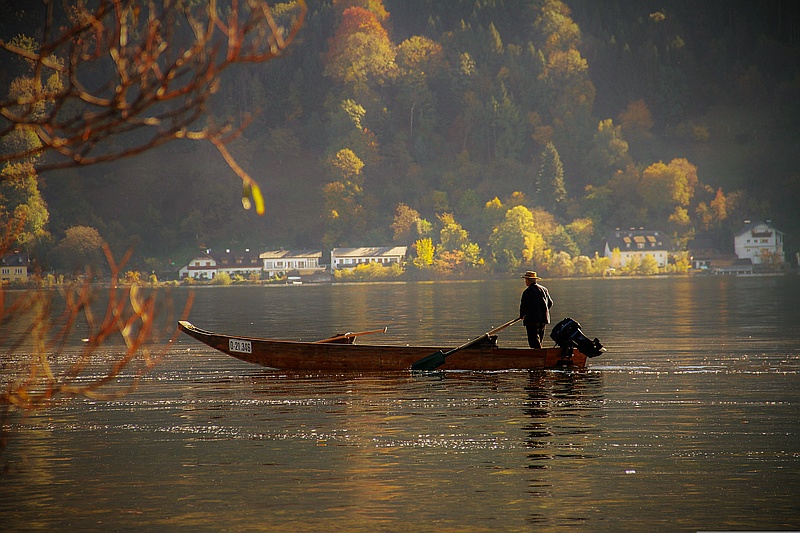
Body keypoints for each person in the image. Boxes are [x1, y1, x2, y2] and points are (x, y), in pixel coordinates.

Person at [518, 271, 553, 349]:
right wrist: (543, 310)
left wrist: (522, 315)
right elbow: (550, 303)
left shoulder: (527, 292)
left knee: (533, 340)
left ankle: (537, 356)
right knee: (539, 339)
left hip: (532, 320)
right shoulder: (544, 289)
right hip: (543, 319)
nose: (525, 282)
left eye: (526, 280)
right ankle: (540, 354)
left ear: (528, 280)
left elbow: (524, 306)